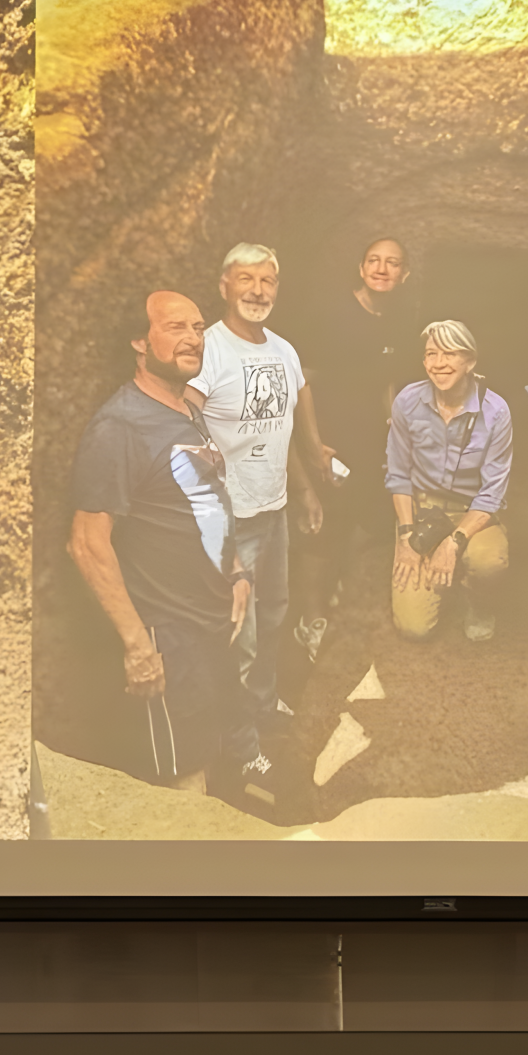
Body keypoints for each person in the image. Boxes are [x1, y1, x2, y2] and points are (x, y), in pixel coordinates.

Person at [68, 291, 266, 798]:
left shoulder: (184, 408)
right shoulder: (119, 427)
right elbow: (87, 544)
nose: (192, 339)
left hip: (211, 621)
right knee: (184, 779)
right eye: (175, 327)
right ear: (140, 340)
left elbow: (208, 500)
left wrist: (238, 571)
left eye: (198, 328)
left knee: (213, 747)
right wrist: (138, 646)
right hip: (168, 635)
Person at [191, 243, 327, 726]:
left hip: (273, 512)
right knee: (237, 634)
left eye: (267, 280)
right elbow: (182, 427)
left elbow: (277, 426)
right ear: (224, 285)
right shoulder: (208, 350)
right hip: (231, 522)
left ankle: (263, 707)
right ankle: (238, 740)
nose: (257, 290)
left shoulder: (282, 349)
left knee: (272, 617)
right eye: (246, 279)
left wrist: (306, 489)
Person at [293, 235, 417, 661]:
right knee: (321, 531)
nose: (382, 269)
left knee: (362, 522)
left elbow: (387, 380)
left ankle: (339, 591)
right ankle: (310, 619)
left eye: (392, 263)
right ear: (361, 269)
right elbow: (301, 379)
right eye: (373, 261)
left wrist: (396, 427)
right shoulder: (332, 314)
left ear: (405, 274)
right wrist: (313, 447)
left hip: (370, 441)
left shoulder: (398, 321)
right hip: (329, 440)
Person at [386, 318, 514, 642]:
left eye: (450, 354)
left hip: (474, 515)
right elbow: (398, 475)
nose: (439, 364)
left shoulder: (496, 412)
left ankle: (478, 599)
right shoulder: (407, 401)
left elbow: (492, 494)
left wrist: (453, 543)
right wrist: (406, 538)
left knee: (489, 562)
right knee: (413, 628)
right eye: (431, 354)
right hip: (423, 513)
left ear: (469, 361)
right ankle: (443, 572)